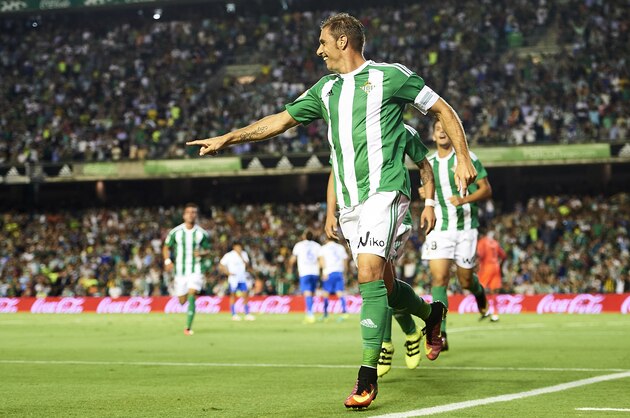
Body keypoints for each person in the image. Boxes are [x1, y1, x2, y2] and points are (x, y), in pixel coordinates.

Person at [187, 13, 476, 410]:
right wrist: (231, 137)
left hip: (385, 193)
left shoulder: (390, 77)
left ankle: (367, 378)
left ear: (343, 42)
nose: (318, 49)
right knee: (387, 289)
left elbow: (442, 108)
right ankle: (431, 314)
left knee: (368, 273)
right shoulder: (325, 90)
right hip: (351, 204)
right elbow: (280, 121)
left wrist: (461, 157)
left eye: (323, 42)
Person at [421, 119, 493, 350]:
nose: (442, 133)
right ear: (433, 136)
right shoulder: (428, 163)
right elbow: (426, 192)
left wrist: (464, 199)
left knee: (464, 280)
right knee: (439, 279)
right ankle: (440, 334)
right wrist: (425, 194)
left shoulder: (467, 158)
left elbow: (486, 189)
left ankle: (478, 291)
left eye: (445, 130)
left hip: (465, 228)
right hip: (439, 229)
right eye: (438, 130)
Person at [162, 203, 211, 336]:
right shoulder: (176, 232)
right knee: (182, 300)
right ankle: (187, 308)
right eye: (189, 212)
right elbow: (166, 247)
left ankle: (188, 327)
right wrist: (167, 260)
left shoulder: (202, 233)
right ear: (184, 215)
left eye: (194, 212)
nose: (191, 214)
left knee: (192, 293)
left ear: (196, 215)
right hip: (180, 272)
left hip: (196, 269)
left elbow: (209, 250)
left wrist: (202, 254)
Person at [288, 230, 322, 324]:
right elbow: (320, 259)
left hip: (304, 272)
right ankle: (310, 311)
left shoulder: (299, 245)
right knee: (312, 292)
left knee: (307, 293)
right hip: (315, 272)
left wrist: (290, 268)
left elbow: (292, 259)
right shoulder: (317, 246)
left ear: (304, 236)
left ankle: (310, 314)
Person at [219, 241, 255, 321]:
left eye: (240, 247)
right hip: (233, 278)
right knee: (233, 295)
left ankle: (247, 313)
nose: (239, 248)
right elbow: (221, 265)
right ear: (234, 247)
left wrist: (241, 256)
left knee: (245, 294)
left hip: (242, 277)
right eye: (237, 247)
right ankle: (234, 314)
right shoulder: (229, 255)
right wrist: (227, 272)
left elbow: (247, 264)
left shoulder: (244, 254)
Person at [477, 228, 507, 321]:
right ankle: (495, 314)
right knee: (494, 291)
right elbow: (504, 256)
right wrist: (501, 266)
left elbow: (480, 255)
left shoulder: (482, 242)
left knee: (480, 288)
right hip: (496, 267)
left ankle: (485, 310)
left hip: (486, 267)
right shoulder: (495, 243)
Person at [318, 235, 350, 321]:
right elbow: (345, 260)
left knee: (326, 293)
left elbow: (322, 261)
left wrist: (324, 271)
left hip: (329, 272)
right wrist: (344, 272)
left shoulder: (324, 248)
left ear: (326, 239)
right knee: (340, 292)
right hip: (339, 272)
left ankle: (325, 314)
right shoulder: (340, 247)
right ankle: (344, 313)